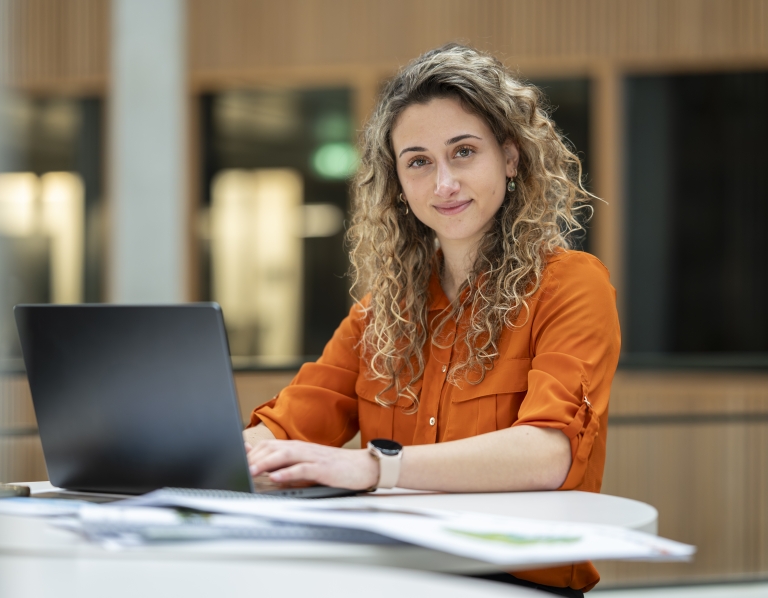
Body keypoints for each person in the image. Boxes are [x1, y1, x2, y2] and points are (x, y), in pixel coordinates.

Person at [243, 44, 620, 596]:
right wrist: (221, 453)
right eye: (418, 161)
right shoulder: (381, 312)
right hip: (395, 580)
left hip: (519, 585)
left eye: (463, 152)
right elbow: (286, 426)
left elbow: (549, 452)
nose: (443, 183)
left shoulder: (571, 285)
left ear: (510, 157)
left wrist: (376, 469)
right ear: (397, 182)